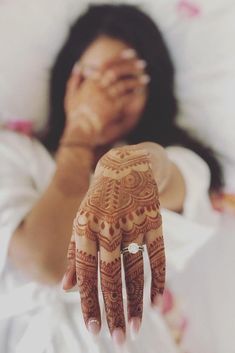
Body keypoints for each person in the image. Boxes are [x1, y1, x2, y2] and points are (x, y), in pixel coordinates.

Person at [0, 4, 225, 353]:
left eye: (124, 82)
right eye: (92, 79)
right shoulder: (13, 155)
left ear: (153, 90)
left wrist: (130, 167)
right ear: (67, 81)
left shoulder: (182, 162)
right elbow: (46, 262)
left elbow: (165, 177)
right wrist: (79, 136)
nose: (105, 99)